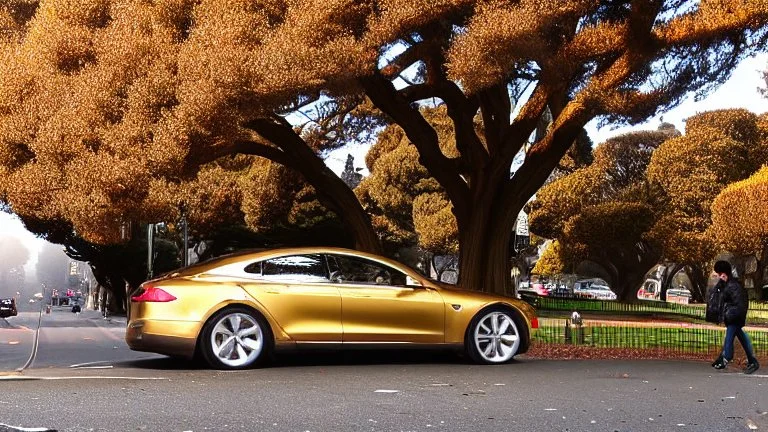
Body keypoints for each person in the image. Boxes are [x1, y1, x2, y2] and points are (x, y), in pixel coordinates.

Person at [711, 260, 760, 374]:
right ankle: (752, 361)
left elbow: (737, 303)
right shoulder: (729, 284)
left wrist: (729, 315)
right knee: (742, 338)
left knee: (729, 337)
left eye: (719, 274)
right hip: (733, 315)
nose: (718, 276)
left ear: (724, 273)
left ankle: (726, 357)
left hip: (733, 316)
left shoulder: (733, 286)